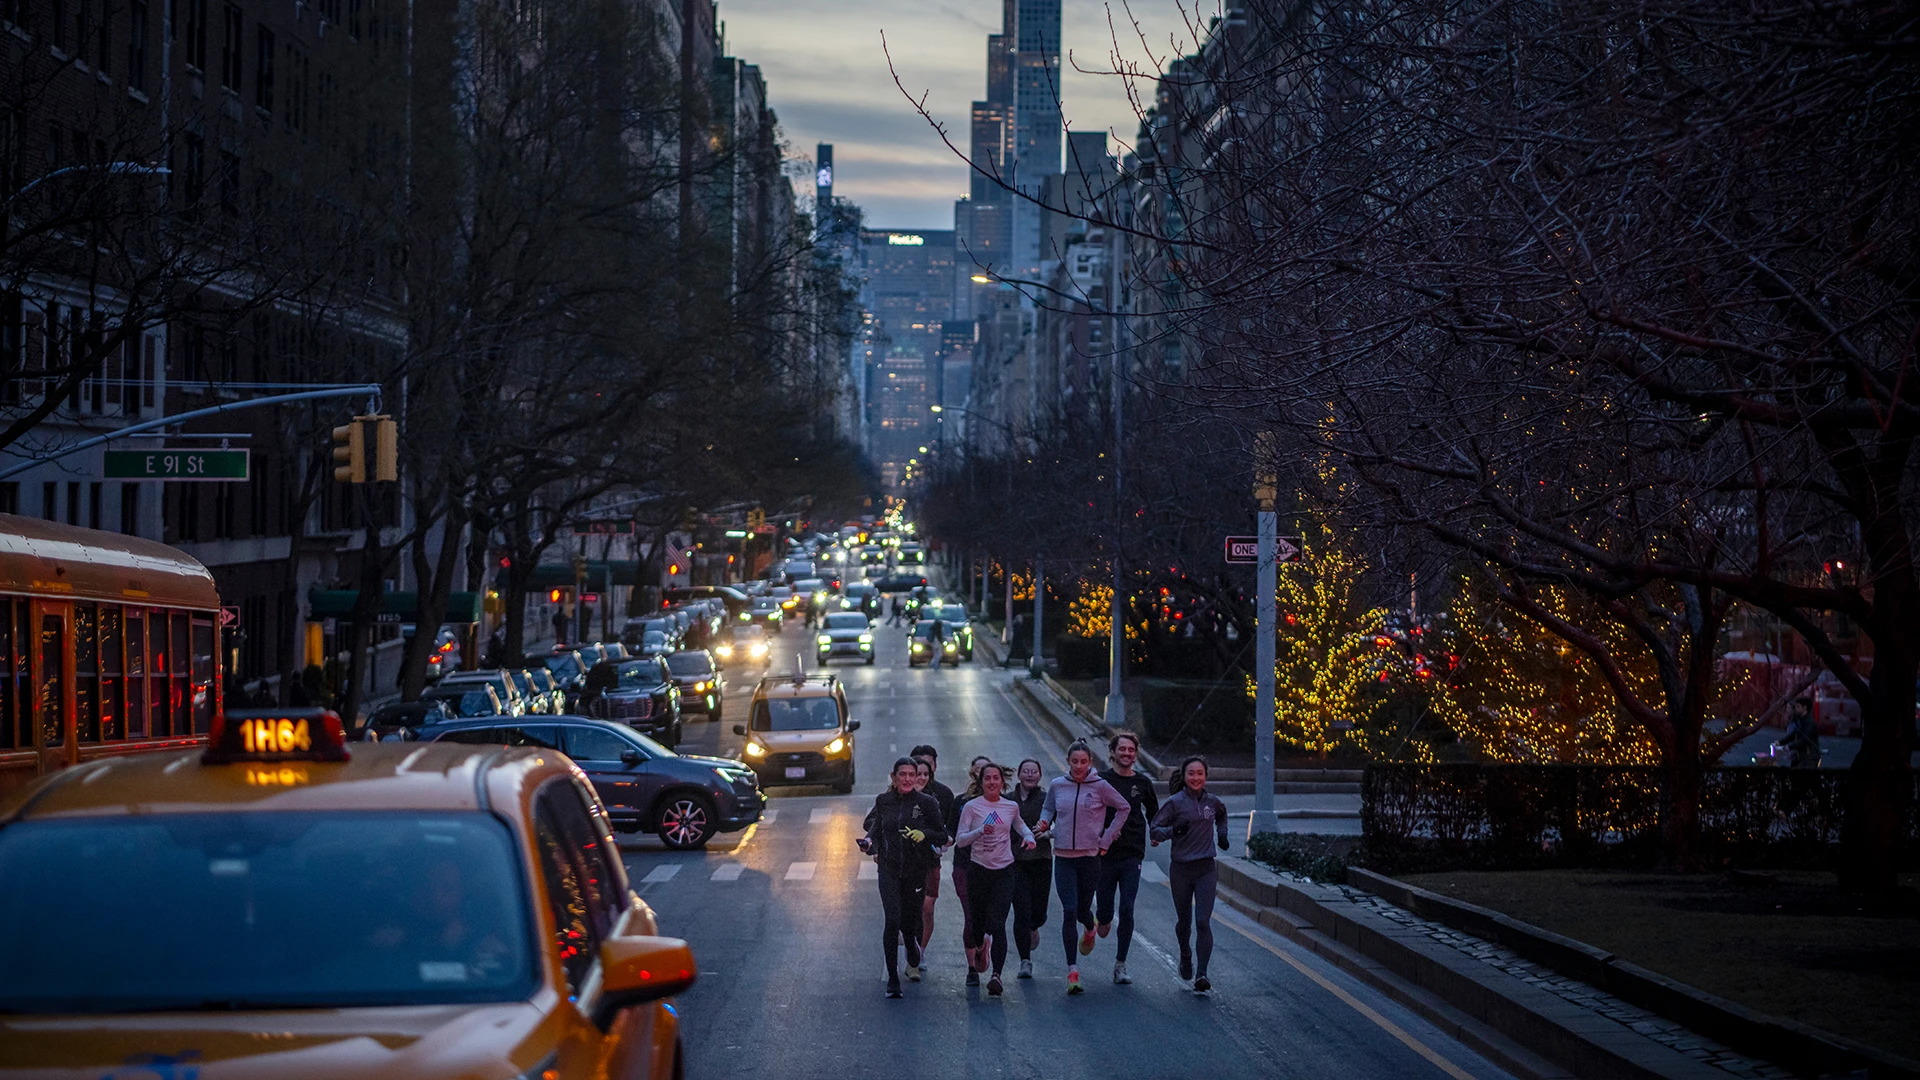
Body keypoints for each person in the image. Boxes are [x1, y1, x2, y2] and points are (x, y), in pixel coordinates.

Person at [1035, 741, 1131, 995]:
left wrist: (1108, 837)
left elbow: (1124, 808)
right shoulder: (1058, 785)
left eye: (1083, 762)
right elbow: (1049, 807)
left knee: (1082, 911)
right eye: (1074, 761)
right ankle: (1072, 972)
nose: (1078, 766)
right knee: (1068, 910)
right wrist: (1044, 822)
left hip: (1090, 857)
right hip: (1064, 856)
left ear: (1090, 762)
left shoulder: (1100, 786)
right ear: (1068, 761)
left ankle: (1090, 928)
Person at [861, 758, 950, 998]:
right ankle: (892, 979)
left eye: (912, 774)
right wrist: (870, 843)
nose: (908, 779)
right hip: (889, 868)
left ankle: (911, 942)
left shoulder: (927, 803)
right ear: (894, 777)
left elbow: (942, 834)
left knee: (908, 921)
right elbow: (876, 828)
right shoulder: (884, 801)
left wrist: (924, 834)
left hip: (915, 869)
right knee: (892, 920)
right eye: (903, 774)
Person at [954, 762, 1037, 996]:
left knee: (998, 922)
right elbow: (961, 841)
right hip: (978, 871)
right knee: (977, 925)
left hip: (1004, 871)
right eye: (987, 778)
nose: (992, 782)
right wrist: (980, 831)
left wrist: (1029, 837)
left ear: (1002, 782)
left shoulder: (1010, 806)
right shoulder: (972, 807)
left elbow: (1020, 825)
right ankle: (981, 945)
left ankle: (996, 976)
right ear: (981, 783)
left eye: (996, 778)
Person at [1150, 755, 1230, 992]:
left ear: (1206, 776)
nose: (1196, 778)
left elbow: (1222, 815)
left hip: (1206, 868)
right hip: (1181, 870)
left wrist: (1222, 835)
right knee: (1184, 922)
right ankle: (1185, 954)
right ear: (1184, 777)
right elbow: (1155, 830)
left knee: (1203, 921)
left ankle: (1202, 974)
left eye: (1200, 774)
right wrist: (1174, 830)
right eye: (1191, 774)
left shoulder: (1213, 802)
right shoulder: (1175, 802)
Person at [1095, 731, 1160, 985]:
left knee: (1128, 907)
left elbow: (1154, 813)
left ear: (1136, 754)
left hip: (1132, 853)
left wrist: (1155, 832)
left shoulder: (1142, 783)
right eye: (1122, 749)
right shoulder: (1100, 780)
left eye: (1131, 750)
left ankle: (1120, 965)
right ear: (1112, 753)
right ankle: (1102, 919)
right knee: (1105, 912)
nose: (1126, 754)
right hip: (1104, 853)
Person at [911, 746, 956, 973]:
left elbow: (947, 828)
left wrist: (945, 840)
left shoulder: (943, 796)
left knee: (927, 907)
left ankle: (920, 950)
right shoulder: (897, 796)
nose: (920, 776)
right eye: (916, 769)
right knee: (910, 908)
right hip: (906, 862)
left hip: (930, 860)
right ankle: (910, 940)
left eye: (926, 771)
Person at [949, 755, 993, 982]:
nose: (982, 774)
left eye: (986, 770)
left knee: (990, 917)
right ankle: (971, 968)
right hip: (965, 866)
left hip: (994, 866)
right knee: (970, 916)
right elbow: (952, 832)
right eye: (978, 770)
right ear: (973, 774)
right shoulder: (961, 802)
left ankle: (983, 942)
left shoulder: (1002, 803)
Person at [1010, 758, 1052, 979]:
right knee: (1021, 912)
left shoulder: (1047, 800)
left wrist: (1049, 833)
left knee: (1038, 913)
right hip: (1015, 862)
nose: (1029, 775)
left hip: (1041, 860)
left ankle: (1035, 925)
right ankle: (1025, 960)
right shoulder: (1008, 800)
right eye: (1025, 771)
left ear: (1039, 775)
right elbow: (992, 821)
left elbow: (1062, 822)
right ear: (1018, 774)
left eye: (1033, 771)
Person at [1785, 698, 1822, 768]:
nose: (1787, 710)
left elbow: (1804, 739)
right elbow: (1792, 735)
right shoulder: (1799, 721)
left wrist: (1790, 746)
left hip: (1807, 757)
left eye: (1798, 707)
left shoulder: (1807, 723)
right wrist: (1781, 742)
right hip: (1800, 756)